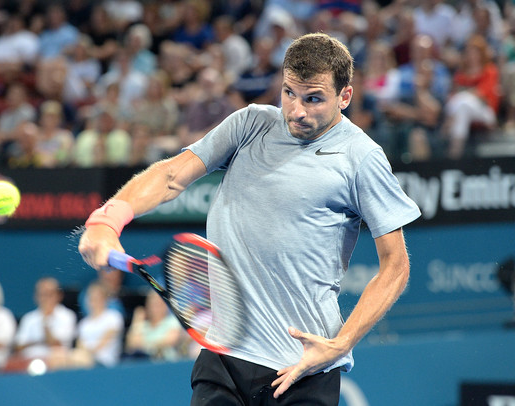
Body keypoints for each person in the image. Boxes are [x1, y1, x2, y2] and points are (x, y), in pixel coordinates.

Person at [79, 33, 421, 405]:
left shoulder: (362, 157)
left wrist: (341, 343)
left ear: (345, 96)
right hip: (223, 361)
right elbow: (170, 176)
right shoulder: (250, 124)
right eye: (289, 93)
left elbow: (396, 266)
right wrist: (106, 220)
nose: (297, 110)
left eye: (314, 99)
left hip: (302, 370)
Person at [14, 277, 77, 361]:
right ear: (36, 297)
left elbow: (56, 344)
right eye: (42, 294)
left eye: (50, 294)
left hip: (56, 361)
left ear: (58, 296)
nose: (46, 299)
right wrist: (42, 341)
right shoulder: (28, 318)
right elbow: (19, 346)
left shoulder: (67, 316)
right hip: (30, 360)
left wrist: (45, 322)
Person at [124, 290, 184, 361]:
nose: (155, 309)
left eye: (158, 304)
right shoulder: (142, 325)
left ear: (165, 306)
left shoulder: (172, 321)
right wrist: (137, 320)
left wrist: (144, 345)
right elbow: (131, 345)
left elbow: (171, 340)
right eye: (152, 305)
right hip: (144, 363)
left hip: (167, 362)